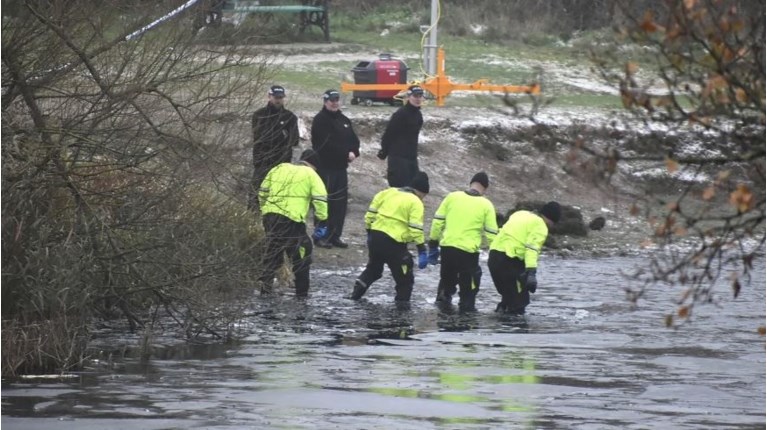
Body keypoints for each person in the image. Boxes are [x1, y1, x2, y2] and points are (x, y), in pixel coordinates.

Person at [350, 172, 431, 302]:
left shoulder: (388, 192)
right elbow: (415, 228)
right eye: (423, 196)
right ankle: (401, 314)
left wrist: (369, 233)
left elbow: (370, 215)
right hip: (394, 243)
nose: (423, 199)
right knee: (404, 279)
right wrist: (421, 249)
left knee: (374, 269)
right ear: (421, 192)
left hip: (375, 237)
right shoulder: (415, 202)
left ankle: (355, 295)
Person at [257, 149, 328, 297]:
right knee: (302, 253)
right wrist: (322, 220)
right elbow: (321, 199)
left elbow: (262, 191)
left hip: (270, 217)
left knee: (272, 251)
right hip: (291, 220)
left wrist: (265, 210)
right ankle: (302, 295)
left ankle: (265, 289)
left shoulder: (279, 168)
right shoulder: (311, 175)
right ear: (314, 166)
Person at [427, 172, 499, 311]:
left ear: (470, 183)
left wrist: (433, 244)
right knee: (468, 292)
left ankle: (442, 319)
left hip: (447, 248)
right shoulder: (486, 204)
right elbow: (491, 234)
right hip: (468, 253)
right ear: (485, 188)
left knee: (446, 284)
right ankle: (466, 323)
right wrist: (496, 252)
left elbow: (437, 222)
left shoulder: (452, 197)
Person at [487, 201, 561, 315]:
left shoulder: (520, 214)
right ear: (551, 219)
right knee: (519, 303)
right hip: (509, 260)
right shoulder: (540, 226)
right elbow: (532, 249)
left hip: (493, 257)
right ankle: (517, 330)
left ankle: (500, 324)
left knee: (508, 297)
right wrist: (531, 273)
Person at [310, 89, 361, 248]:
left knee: (340, 205)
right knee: (325, 203)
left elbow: (354, 140)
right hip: (325, 168)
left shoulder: (344, 120)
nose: (334, 103)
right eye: (331, 100)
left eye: (336, 100)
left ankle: (335, 235)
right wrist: (344, 153)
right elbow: (323, 145)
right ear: (325, 101)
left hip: (341, 169)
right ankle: (321, 236)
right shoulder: (320, 120)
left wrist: (354, 152)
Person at [249, 85, 300, 211]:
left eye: (281, 97)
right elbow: (261, 137)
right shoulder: (259, 115)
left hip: (282, 162)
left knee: (279, 194)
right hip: (263, 161)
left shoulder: (290, 117)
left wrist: (280, 138)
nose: (278, 100)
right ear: (269, 96)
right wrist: (281, 135)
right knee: (256, 192)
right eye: (276, 97)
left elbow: (294, 140)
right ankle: (251, 219)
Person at [377, 85, 425, 187]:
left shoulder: (418, 115)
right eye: (415, 96)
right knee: (399, 188)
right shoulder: (401, 114)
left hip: (411, 157)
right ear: (408, 97)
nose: (418, 99)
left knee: (413, 188)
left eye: (420, 96)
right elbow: (389, 134)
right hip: (398, 157)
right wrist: (384, 151)